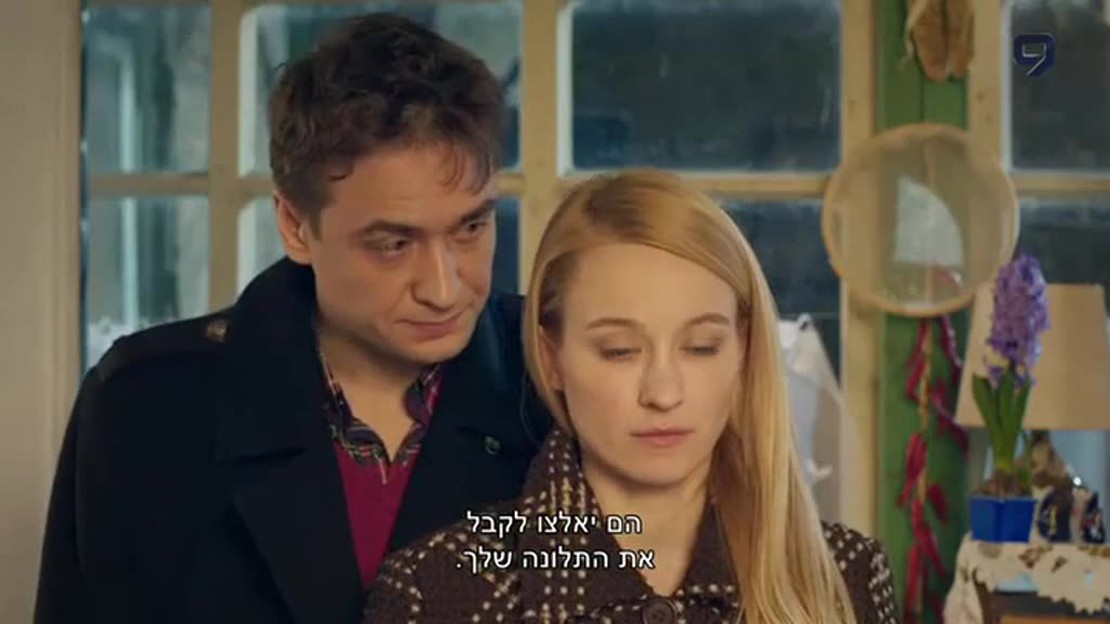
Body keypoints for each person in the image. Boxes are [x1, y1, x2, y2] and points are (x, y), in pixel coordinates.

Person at [35, 13, 550, 624]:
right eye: (393, 244)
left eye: (471, 228)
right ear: (295, 227)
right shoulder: (144, 408)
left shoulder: (560, 382)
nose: (444, 289)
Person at [362, 170, 899, 623]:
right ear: (552, 358)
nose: (663, 393)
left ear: (744, 351)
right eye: (619, 351)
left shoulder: (846, 575)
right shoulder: (435, 591)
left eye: (701, 347)